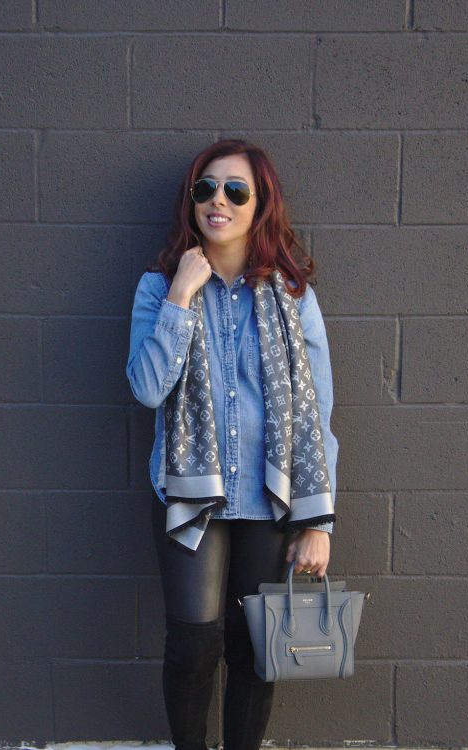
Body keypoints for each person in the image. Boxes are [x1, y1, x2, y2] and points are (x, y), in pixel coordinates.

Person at [126, 138, 339, 750]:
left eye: (235, 190)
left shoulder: (292, 295)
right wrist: (180, 296)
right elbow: (147, 388)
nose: (217, 201)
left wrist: (317, 521)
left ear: (260, 203)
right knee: (193, 646)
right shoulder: (158, 287)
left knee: (253, 649)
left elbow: (318, 411)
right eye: (206, 189)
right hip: (190, 494)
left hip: (270, 497)